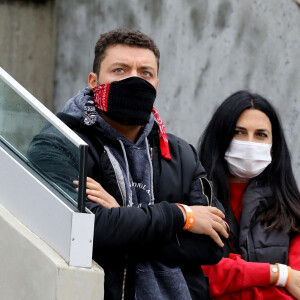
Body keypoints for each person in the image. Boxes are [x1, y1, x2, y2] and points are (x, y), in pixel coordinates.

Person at [28, 29, 228, 300]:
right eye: (120, 70)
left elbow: (214, 244)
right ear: (94, 81)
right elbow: (87, 231)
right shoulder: (60, 143)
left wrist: (125, 216)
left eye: (146, 73)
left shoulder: (182, 154)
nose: (135, 80)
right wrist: (181, 215)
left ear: (157, 82)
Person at [198, 90, 300, 299]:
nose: (250, 143)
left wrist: (235, 282)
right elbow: (201, 274)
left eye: (261, 135)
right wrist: (278, 275)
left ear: (273, 148)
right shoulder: (194, 200)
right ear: (221, 137)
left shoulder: (292, 211)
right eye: (238, 132)